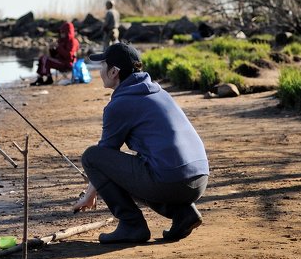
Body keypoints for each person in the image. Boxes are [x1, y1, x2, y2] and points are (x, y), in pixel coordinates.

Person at [73, 41, 209, 244]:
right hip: (199, 179)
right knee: (142, 164)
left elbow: (101, 156)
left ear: (114, 72)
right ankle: (183, 214)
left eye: (103, 65)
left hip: (172, 182)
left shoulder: (119, 105)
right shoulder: (159, 92)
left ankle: (131, 224)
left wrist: (89, 195)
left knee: (90, 156)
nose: (99, 70)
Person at [31, 20, 79, 86]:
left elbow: (69, 56)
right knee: (43, 59)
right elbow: (55, 55)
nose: (61, 34)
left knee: (44, 59)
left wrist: (58, 47)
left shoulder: (73, 42)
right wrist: (52, 49)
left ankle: (47, 78)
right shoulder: (62, 41)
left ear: (68, 32)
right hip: (61, 61)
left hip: (68, 64)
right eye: (61, 32)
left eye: (63, 32)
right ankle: (42, 78)